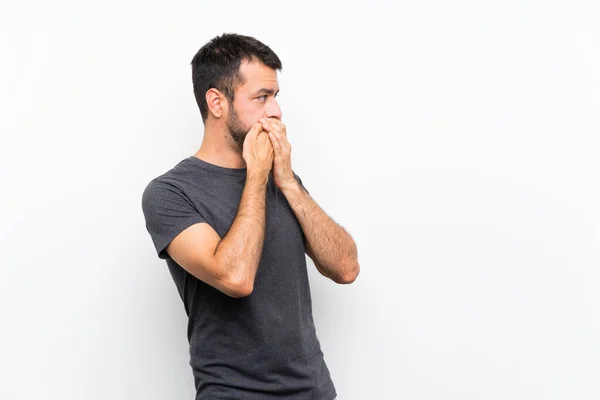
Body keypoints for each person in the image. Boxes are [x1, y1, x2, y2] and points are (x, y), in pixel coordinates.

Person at [141, 33, 359, 400]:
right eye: (261, 97)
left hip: (314, 391)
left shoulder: (281, 177)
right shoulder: (170, 194)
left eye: (275, 97)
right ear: (217, 102)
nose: (275, 111)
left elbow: (346, 268)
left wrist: (288, 182)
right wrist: (257, 176)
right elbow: (236, 278)